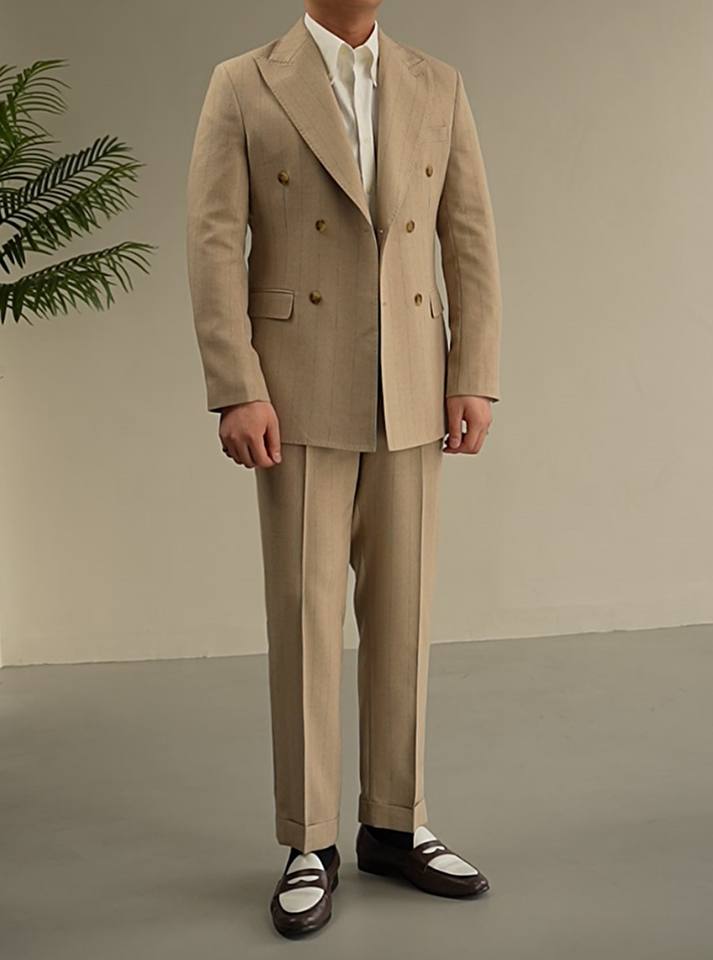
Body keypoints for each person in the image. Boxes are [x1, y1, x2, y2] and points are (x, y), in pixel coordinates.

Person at [186, 0, 502, 938]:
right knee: (304, 616)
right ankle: (308, 840)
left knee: (405, 612)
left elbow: (468, 238)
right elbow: (213, 243)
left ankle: (395, 825)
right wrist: (235, 385)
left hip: (410, 383)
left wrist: (472, 372)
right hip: (294, 387)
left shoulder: (437, 84)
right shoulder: (243, 82)